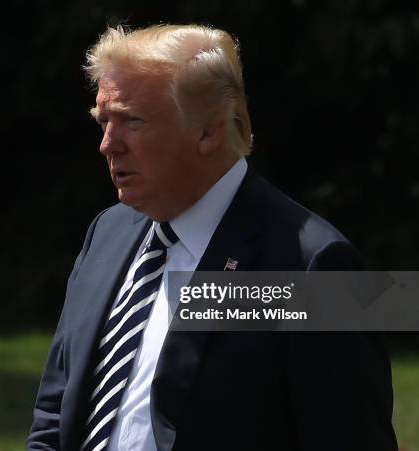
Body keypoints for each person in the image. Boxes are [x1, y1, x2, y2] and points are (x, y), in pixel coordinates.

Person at [27, 24, 397, 451]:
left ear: (208, 130)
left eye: (132, 120)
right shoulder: (107, 233)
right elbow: (54, 417)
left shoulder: (310, 264)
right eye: (104, 121)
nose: (108, 144)